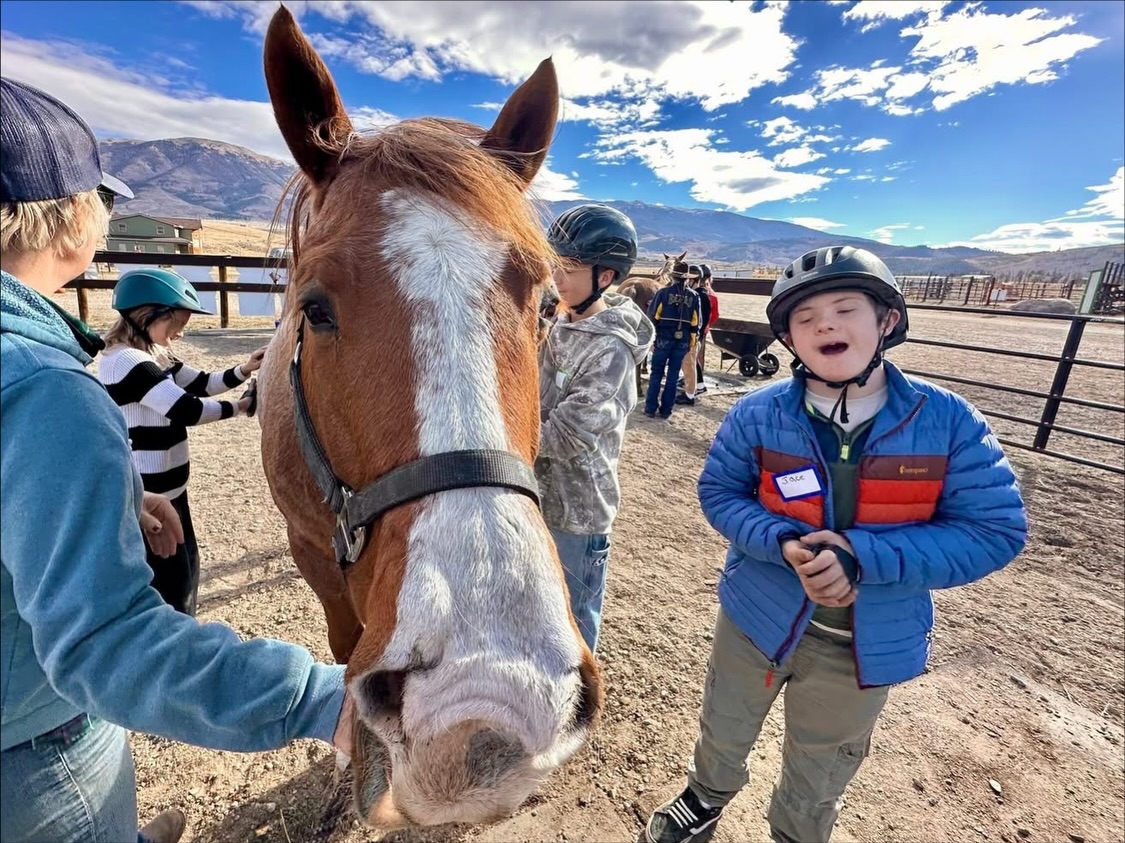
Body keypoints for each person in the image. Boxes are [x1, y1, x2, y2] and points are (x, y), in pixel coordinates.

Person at [1, 75, 351, 843]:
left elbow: (194, 381)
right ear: (68, 217)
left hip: (143, 504)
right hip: (36, 751)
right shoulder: (56, 383)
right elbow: (188, 407)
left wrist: (242, 375)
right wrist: (326, 699)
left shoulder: (90, 359)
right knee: (158, 603)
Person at [645, 245, 1028, 843]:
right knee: (725, 717)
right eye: (805, 317)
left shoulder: (948, 421)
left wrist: (862, 557)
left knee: (825, 755)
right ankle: (706, 795)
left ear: (887, 321)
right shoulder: (757, 414)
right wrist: (780, 541)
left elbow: (994, 530)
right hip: (756, 617)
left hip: (862, 641)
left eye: (846, 309)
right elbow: (720, 491)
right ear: (789, 339)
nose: (825, 324)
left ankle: (798, 831)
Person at [98, 268, 265, 616]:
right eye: (177, 322)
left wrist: (244, 369)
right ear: (148, 315)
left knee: (186, 572)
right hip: (152, 495)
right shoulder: (126, 361)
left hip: (173, 491)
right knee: (171, 588)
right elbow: (186, 409)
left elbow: (201, 383)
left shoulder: (154, 353)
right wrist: (240, 407)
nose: (181, 332)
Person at [538, 203, 654, 653]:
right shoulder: (557, 322)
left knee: (572, 618)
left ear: (604, 277)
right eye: (554, 265)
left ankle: (578, 692)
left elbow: (567, 437)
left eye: (568, 269)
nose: (556, 277)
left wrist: (497, 436)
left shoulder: (611, 350)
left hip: (577, 513)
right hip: (535, 495)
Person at [644, 259, 699, 418]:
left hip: (663, 339)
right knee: (673, 376)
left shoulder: (663, 293)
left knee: (656, 373)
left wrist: (652, 340)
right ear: (687, 278)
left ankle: (650, 409)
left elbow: (652, 318)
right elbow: (696, 323)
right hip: (682, 342)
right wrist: (691, 343)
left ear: (673, 277)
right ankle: (666, 410)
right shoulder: (694, 296)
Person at [675, 265, 715, 406]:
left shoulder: (699, 296)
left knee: (689, 364)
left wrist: (695, 336)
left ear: (693, 280)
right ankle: (698, 386)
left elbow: (699, 319)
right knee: (691, 363)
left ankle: (689, 395)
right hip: (695, 335)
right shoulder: (701, 295)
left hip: (692, 336)